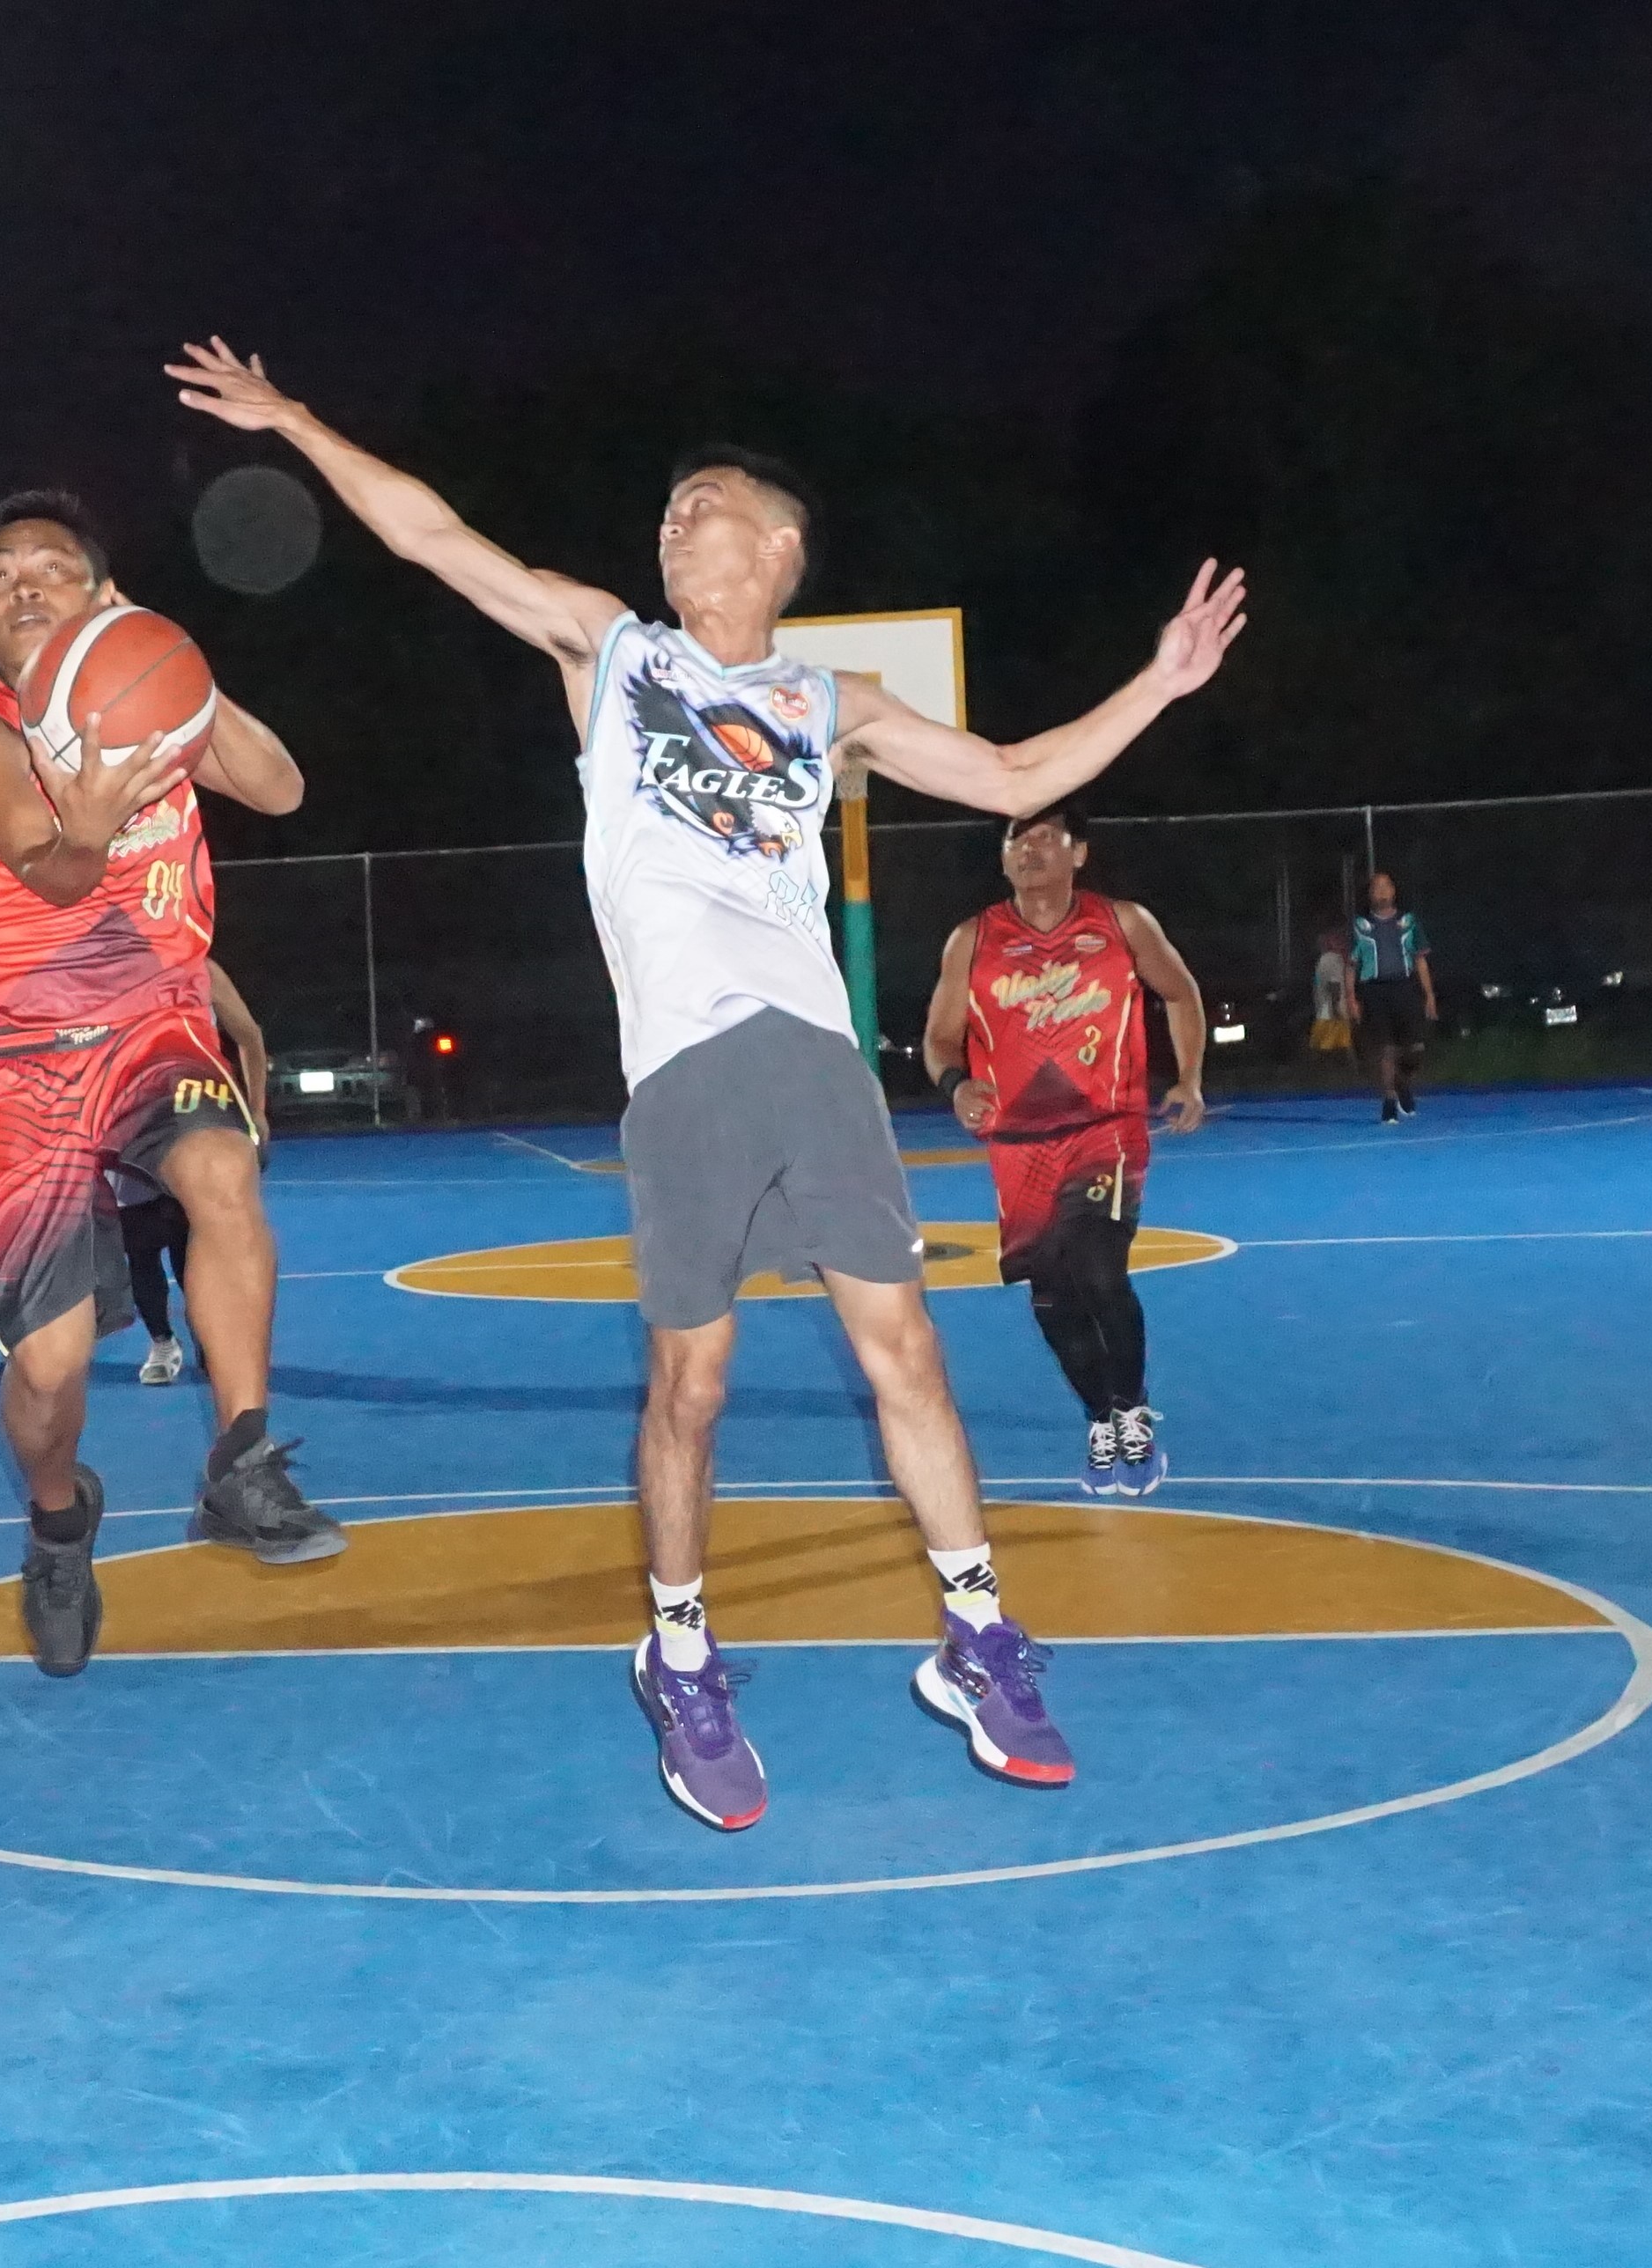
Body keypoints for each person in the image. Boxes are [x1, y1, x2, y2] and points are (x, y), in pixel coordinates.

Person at [176, 336, 1246, 1821]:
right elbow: (433, 537)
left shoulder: (829, 699)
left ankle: (978, 1634)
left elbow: (1009, 773)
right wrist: (292, 417)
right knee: (693, 1379)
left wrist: (1161, 682)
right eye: (670, 508)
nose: (676, 520)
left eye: (708, 502)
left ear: (780, 546)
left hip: (815, 1055)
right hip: (683, 1063)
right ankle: (677, 1653)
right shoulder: (610, 649)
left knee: (908, 1356)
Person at [0, 488, 347, 1681]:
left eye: (50, 569)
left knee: (222, 1175)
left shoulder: (149, 699)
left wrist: (169, 674)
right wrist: (100, 812)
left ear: (102, 595)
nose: (21, 589)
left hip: (150, 1021)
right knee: (51, 1373)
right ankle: (60, 1523)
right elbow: (57, 877)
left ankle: (242, 1463)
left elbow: (282, 788)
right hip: (17, 1055)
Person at [923, 806, 1208, 1497]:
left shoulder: (1122, 923)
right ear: (1003, 858)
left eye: (1048, 837)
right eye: (1019, 839)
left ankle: (1134, 1407)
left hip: (1104, 1128)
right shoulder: (973, 939)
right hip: (1018, 1144)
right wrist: (956, 1085)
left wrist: (1191, 1080)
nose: (1032, 849)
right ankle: (1099, 1414)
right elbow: (939, 1038)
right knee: (1051, 1295)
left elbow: (1181, 993)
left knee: (1098, 1267)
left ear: (1079, 853)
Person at [125, 960, 269, 1387]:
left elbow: (250, 1035)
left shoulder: (198, 966)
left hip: (193, 1117)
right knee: (141, 1246)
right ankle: (163, 1342)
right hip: (131, 1121)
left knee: (197, 1241)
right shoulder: (102, 966)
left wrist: (257, 1111)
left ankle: (214, 1338)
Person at [1352, 873, 1434, 1122]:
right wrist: (1350, 998)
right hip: (1375, 990)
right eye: (1376, 887)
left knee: (1415, 1048)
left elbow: (1420, 959)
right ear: (1370, 894)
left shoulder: (1408, 922)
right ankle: (1388, 1100)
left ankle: (1401, 1083)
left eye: (1386, 886)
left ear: (1394, 891)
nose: (1382, 891)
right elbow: (1351, 964)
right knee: (1386, 1049)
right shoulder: (1360, 926)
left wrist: (1429, 994)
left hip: (1404, 987)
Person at [1308, 926, 1356, 1058]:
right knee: (1340, 1049)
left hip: (1324, 1012)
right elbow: (1334, 984)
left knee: (1324, 1050)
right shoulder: (1333, 960)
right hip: (1334, 1013)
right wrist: (1336, 1009)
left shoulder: (1322, 960)